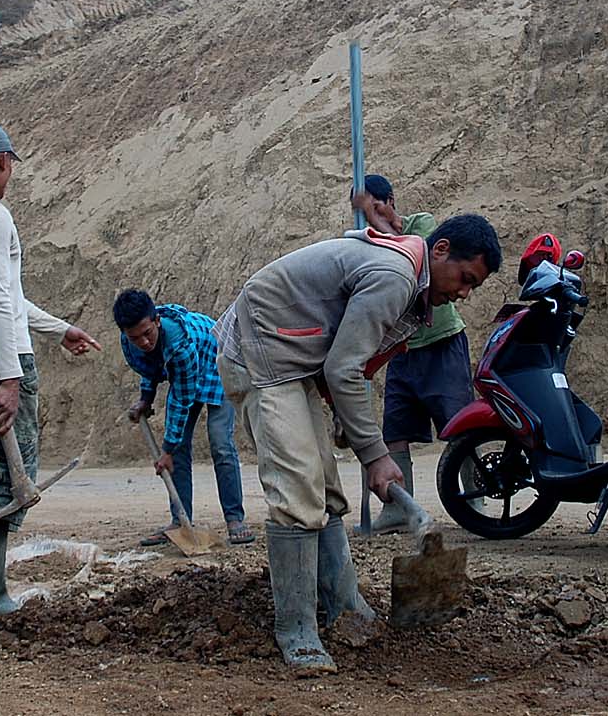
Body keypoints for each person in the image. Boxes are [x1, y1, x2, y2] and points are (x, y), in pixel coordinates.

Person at [214, 215, 501, 671]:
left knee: (325, 493)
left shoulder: (408, 279)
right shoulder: (395, 276)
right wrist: (376, 454)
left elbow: (346, 355)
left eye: (474, 288)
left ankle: (344, 607)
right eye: (466, 279)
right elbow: (342, 368)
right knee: (297, 495)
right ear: (441, 250)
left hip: (293, 357)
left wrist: (351, 423)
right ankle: (297, 629)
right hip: (261, 352)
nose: (464, 293)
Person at [0, 121, 101, 629]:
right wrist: (8, 380)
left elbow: (6, 297)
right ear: (3, 161)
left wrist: (58, 329)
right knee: (3, 478)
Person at [350, 175, 475, 532]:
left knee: (458, 424)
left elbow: (411, 258)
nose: (371, 215)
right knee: (395, 430)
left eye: (376, 206)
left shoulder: (423, 224)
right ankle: (397, 510)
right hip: (401, 349)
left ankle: (474, 499)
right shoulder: (371, 243)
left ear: (390, 201)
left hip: (441, 344)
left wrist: (377, 220)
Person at [114, 289, 254, 546]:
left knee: (220, 443)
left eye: (148, 333)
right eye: (135, 338)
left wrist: (166, 449)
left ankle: (235, 518)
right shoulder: (131, 342)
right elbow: (150, 365)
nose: (143, 342)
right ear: (125, 334)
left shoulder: (181, 345)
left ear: (156, 320)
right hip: (186, 373)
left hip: (218, 363)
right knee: (178, 453)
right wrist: (146, 398)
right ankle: (180, 521)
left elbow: (181, 399)